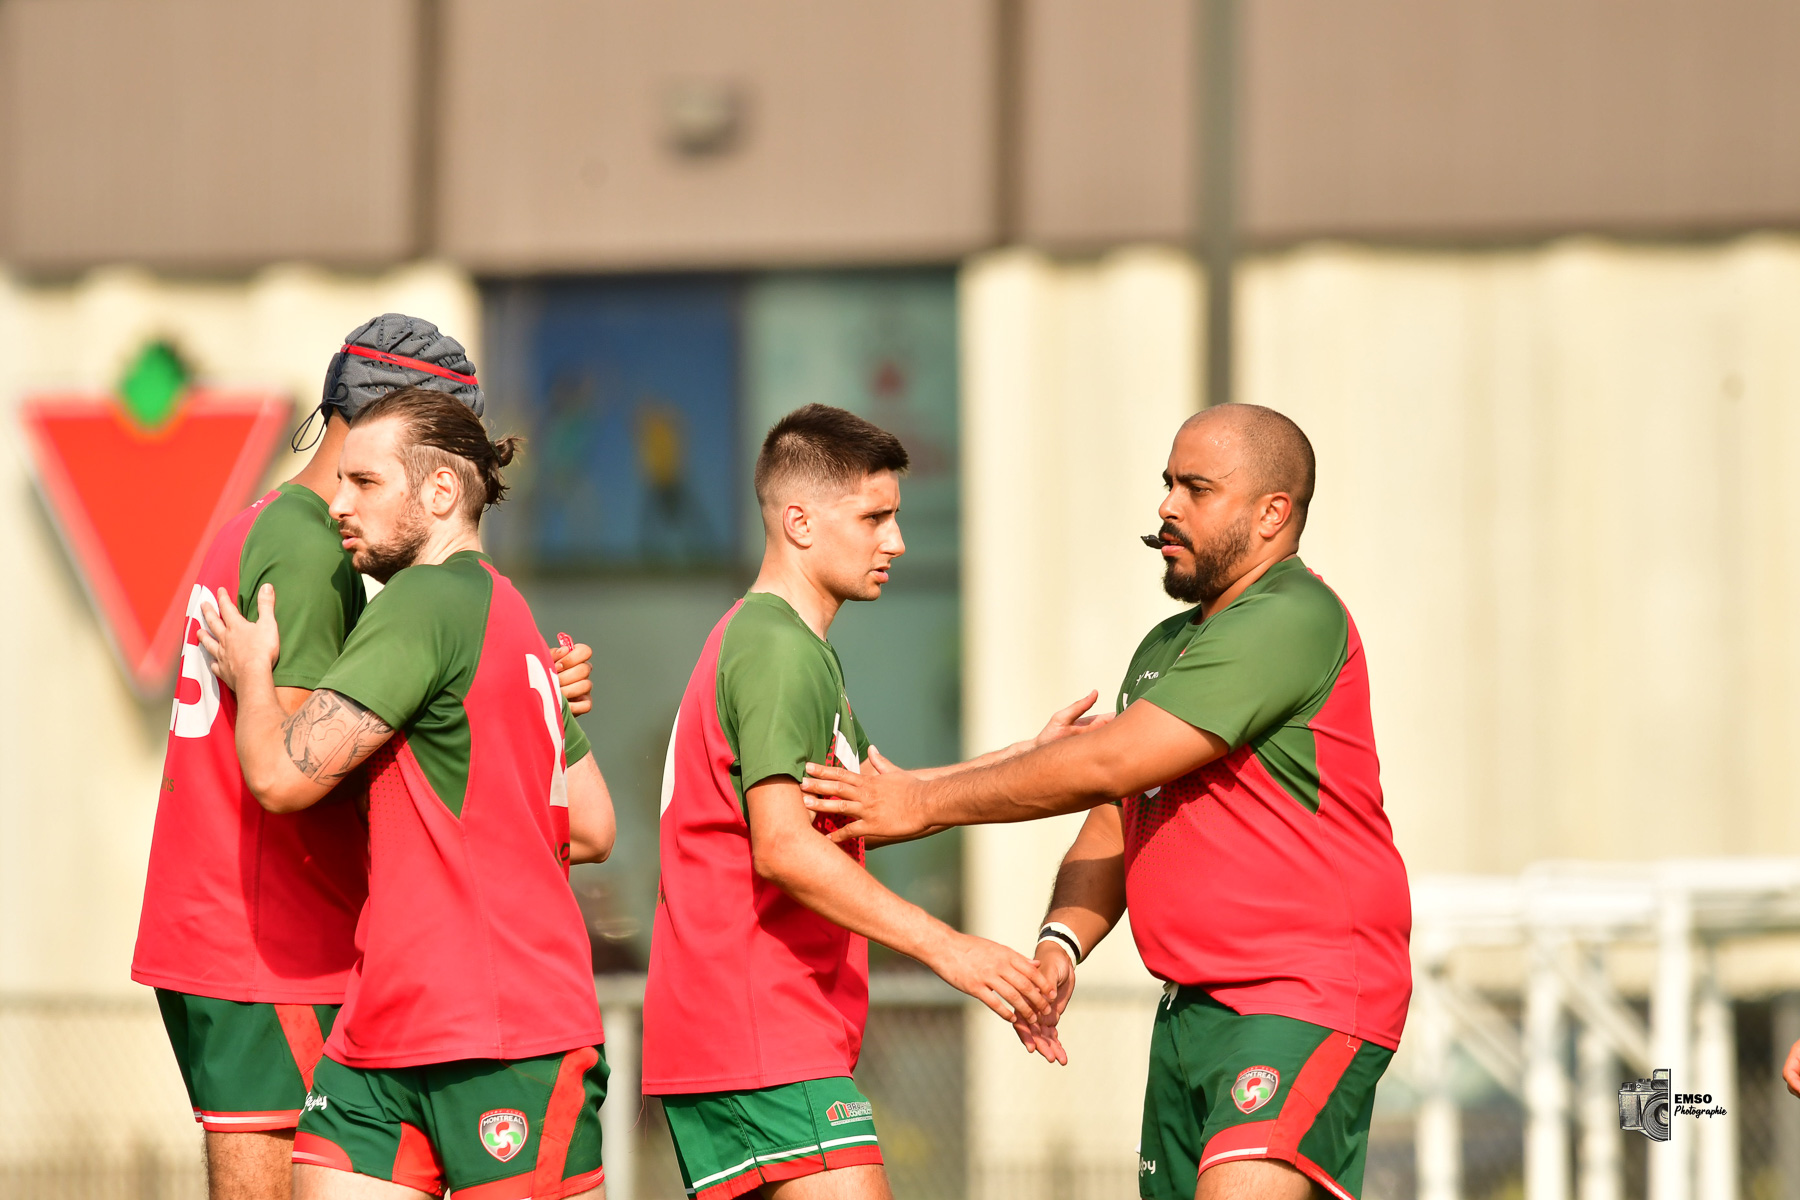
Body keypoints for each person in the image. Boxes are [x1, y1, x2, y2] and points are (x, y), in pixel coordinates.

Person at [800, 404, 1412, 1200]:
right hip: (1190, 1012)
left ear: (1273, 514)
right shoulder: (1167, 647)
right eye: (1167, 483)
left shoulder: (1294, 615)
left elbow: (1109, 759)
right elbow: (1120, 807)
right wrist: (1060, 944)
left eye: (1197, 488)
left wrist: (922, 800)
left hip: (1299, 995)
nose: (1166, 506)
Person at [131, 316, 594, 1200]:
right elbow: (298, 764)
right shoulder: (310, 549)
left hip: (236, 930)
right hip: (276, 942)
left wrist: (499, 696)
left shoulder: (276, 521)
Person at [643, 404, 1095, 1200]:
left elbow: (872, 807)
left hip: (751, 1036)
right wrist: (953, 949)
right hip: (762, 1034)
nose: (897, 541)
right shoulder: (779, 650)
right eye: (875, 517)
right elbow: (782, 845)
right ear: (799, 522)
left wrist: (1029, 756)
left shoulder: (785, 647)